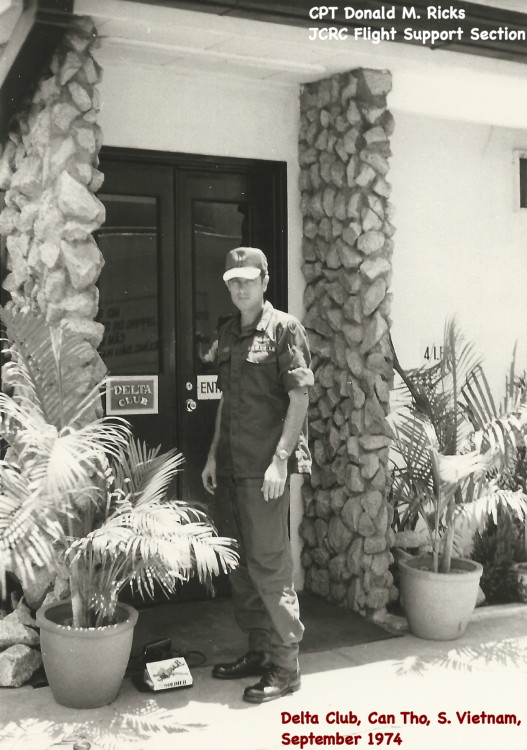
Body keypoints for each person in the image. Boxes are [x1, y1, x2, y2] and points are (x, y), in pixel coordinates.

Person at [201, 246, 313, 704]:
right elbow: (227, 401)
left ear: (265, 281)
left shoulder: (285, 329)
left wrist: (281, 459)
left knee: (269, 568)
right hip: (230, 469)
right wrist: (212, 456)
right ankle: (259, 651)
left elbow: (300, 399)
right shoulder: (228, 333)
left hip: (264, 472)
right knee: (241, 569)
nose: (240, 286)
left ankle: (286, 669)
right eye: (233, 280)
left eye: (248, 278)